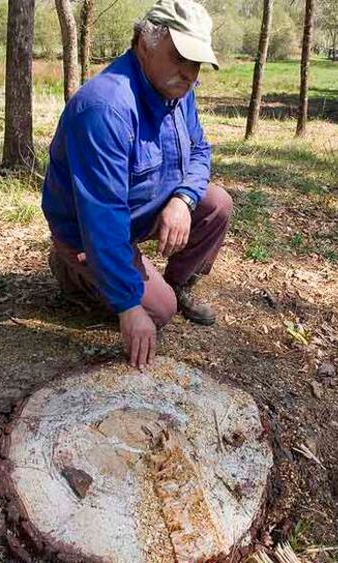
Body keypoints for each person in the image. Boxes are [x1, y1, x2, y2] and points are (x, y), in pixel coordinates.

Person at [42, 0, 233, 370]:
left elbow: (199, 151)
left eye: (197, 63)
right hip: (89, 231)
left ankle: (175, 283)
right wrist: (128, 306)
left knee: (216, 204)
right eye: (180, 57)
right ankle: (71, 268)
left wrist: (182, 199)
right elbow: (101, 215)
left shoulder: (178, 90)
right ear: (145, 43)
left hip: (141, 210)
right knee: (159, 311)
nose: (190, 73)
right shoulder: (105, 108)